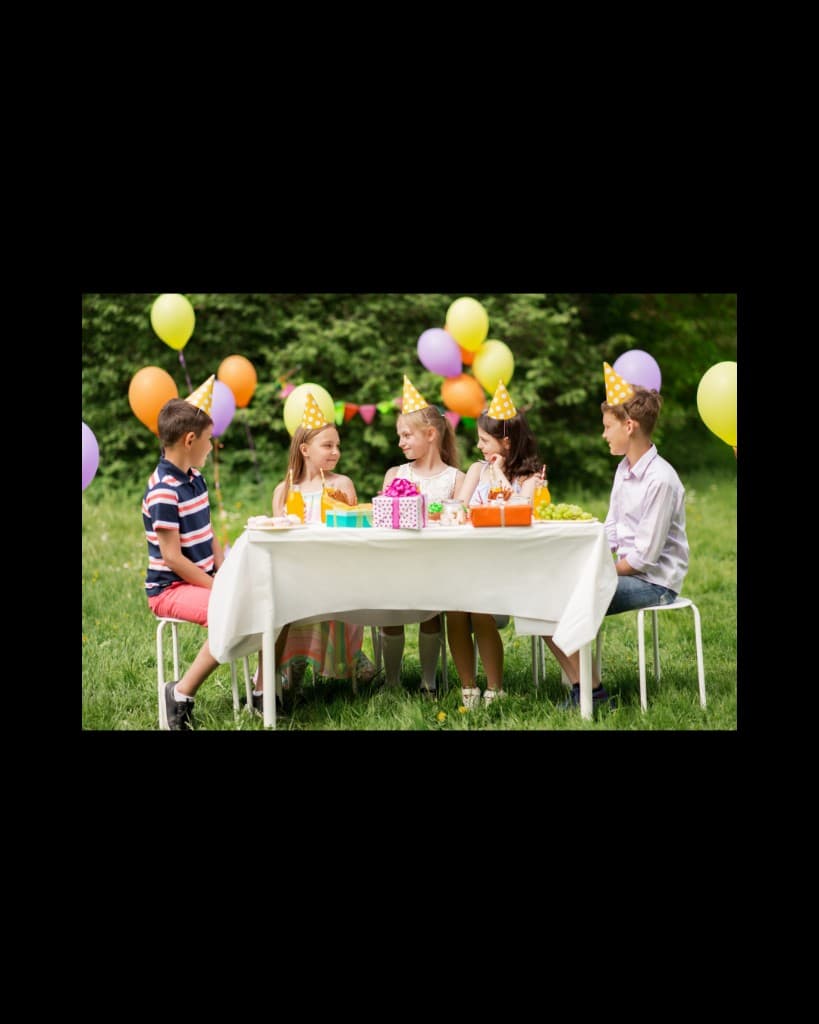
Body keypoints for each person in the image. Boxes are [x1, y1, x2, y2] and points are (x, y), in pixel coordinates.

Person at [543, 362, 689, 708]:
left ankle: (591, 694)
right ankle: (587, 689)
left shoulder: (661, 480)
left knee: (560, 598)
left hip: (655, 582)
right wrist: (584, 558)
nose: (604, 434)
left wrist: (598, 572)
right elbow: (609, 530)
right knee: (543, 596)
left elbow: (643, 559)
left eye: (608, 427)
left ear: (629, 425)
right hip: (627, 573)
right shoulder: (624, 470)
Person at [249, 393, 375, 713]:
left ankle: (345, 653)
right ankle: (290, 667)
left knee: (323, 590)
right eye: (327, 446)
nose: (335, 452)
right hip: (296, 568)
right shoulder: (286, 490)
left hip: (334, 568)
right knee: (289, 595)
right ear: (305, 449)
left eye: (337, 445)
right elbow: (278, 535)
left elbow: (355, 529)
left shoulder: (342, 484)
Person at [447, 381, 543, 708]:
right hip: (470, 560)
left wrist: (500, 476)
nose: (478, 446)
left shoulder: (527, 479)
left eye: (484, 440)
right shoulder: (476, 470)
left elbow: (523, 511)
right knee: (455, 608)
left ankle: (495, 687)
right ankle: (468, 688)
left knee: (478, 604)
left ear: (505, 442)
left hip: (508, 565)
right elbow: (459, 508)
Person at [142, 377, 226, 730]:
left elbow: (208, 536)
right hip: (170, 588)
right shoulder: (163, 492)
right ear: (190, 440)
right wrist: (215, 588)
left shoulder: (196, 478)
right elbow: (173, 558)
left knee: (251, 597)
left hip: (202, 578)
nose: (212, 446)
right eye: (209, 440)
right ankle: (180, 693)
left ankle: (261, 692)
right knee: (229, 612)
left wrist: (227, 570)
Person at [379, 375, 466, 697]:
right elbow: (384, 519)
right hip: (396, 562)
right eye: (399, 436)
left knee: (431, 614)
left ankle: (429, 682)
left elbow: (459, 521)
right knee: (391, 613)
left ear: (430, 435)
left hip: (436, 565)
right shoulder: (395, 474)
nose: (400, 442)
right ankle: (391, 682)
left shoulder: (455, 479)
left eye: (406, 435)